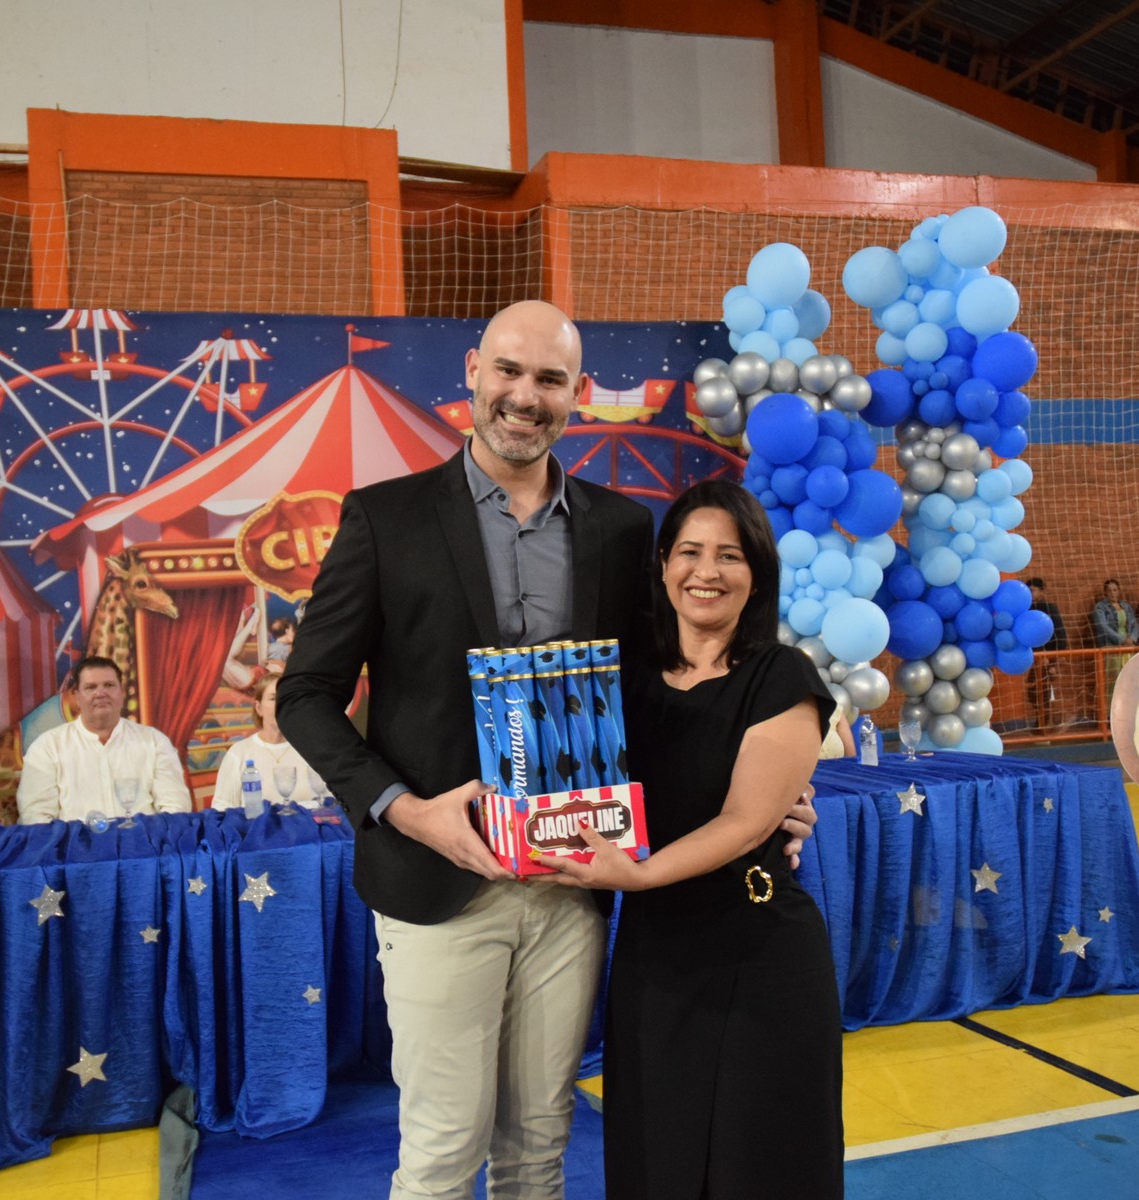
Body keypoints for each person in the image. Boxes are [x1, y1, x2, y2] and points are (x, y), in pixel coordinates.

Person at [277, 300, 818, 1199]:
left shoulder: (618, 530)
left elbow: (655, 703)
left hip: (576, 882)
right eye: (509, 372)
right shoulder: (385, 519)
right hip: (438, 881)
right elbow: (303, 694)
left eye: (550, 380)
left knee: (540, 1144)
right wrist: (406, 810)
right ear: (473, 372)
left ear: (576, 394)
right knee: (444, 1150)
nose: (525, 397)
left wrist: (768, 799)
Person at [548, 480, 843, 1199]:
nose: (705, 571)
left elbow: (745, 822)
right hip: (657, 959)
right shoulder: (620, 680)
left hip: (759, 950)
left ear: (756, 575)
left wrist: (639, 876)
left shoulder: (782, 676)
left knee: (760, 1162)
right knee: (657, 1155)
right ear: (660, 566)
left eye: (728, 556)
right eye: (688, 551)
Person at [16, 655, 193, 824]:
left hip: (143, 850)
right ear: (77, 697)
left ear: (122, 693)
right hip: (75, 853)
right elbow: (36, 818)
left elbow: (176, 808)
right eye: (90, 687)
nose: (100, 693)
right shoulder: (47, 747)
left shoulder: (154, 742)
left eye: (108, 685)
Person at [211, 672, 327, 809]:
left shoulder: (312, 749)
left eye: (286, 698)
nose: (281, 705)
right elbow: (222, 807)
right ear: (259, 708)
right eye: (273, 699)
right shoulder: (239, 753)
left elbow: (331, 802)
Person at [1027, 577, 1066, 729]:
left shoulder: (1050, 608)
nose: (1030, 594)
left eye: (1033, 590)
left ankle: (1046, 723)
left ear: (1042, 591)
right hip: (1035, 657)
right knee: (1034, 690)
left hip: (1048, 658)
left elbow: (1060, 634)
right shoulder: (1026, 609)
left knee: (1045, 691)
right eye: (1028, 590)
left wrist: (1053, 660)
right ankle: (1042, 721)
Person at [1092, 579, 1138, 648]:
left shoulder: (1126, 605)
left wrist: (1132, 638)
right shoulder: (1100, 607)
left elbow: (1134, 624)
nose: (1112, 593)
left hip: (1128, 644)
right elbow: (1103, 626)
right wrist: (1122, 640)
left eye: (1114, 590)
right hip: (1110, 645)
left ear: (1118, 591)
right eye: (1109, 590)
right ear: (1105, 592)